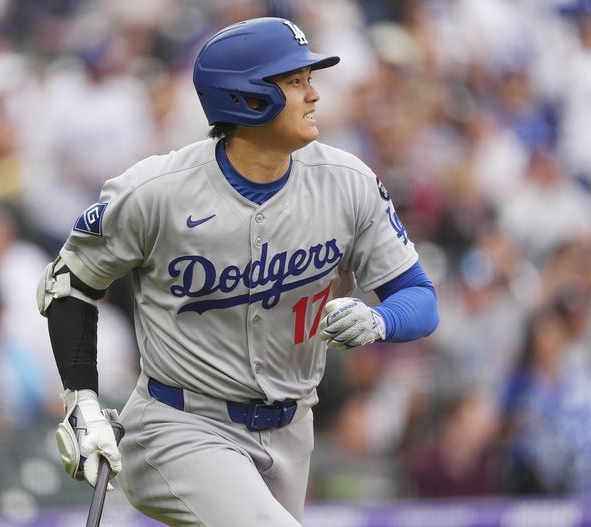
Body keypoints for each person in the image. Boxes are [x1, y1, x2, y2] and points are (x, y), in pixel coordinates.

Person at [37, 17, 439, 526]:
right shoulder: (156, 191)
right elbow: (69, 284)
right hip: (179, 424)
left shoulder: (347, 182)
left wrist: (380, 319)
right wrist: (82, 399)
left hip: (292, 425)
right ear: (246, 98)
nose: (314, 94)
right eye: (294, 81)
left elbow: (421, 297)